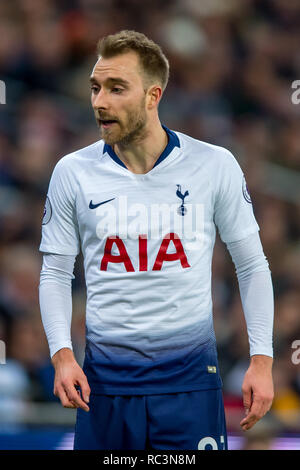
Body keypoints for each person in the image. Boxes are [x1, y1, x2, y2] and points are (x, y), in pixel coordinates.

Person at [39, 30, 274, 450]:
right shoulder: (71, 172)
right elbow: (55, 271)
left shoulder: (213, 165)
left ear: (153, 96)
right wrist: (62, 355)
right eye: (95, 88)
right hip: (104, 390)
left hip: (189, 386)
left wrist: (261, 358)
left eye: (116, 88)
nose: (99, 102)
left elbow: (252, 264)